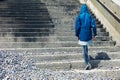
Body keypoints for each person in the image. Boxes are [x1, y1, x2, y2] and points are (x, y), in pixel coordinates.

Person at [75, 4, 97, 70]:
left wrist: (77, 35)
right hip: (88, 34)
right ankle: (87, 61)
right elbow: (94, 26)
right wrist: (95, 34)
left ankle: (87, 62)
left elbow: (77, 27)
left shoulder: (79, 17)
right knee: (86, 47)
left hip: (82, 34)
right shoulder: (90, 16)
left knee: (84, 49)